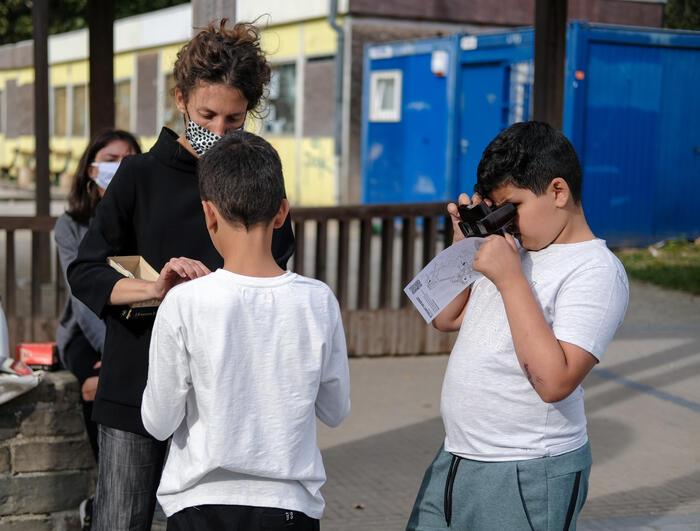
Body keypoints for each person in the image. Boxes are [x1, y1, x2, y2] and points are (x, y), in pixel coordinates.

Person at [67, 20, 295, 531]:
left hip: (225, 394)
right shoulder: (138, 175)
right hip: (136, 384)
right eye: (206, 115)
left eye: (234, 120)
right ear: (180, 100)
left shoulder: (258, 172)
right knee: (121, 521)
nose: (217, 133)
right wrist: (153, 288)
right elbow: (86, 270)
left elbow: (277, 264)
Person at [406, 121, 629, 531]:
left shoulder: (595, 270)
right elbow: (445, 316)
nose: (507, 221)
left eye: (513, 207)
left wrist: (510, 280)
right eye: (496, 209)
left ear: (558, 191)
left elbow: (554, 382)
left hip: (528, 468)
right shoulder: (513, 247)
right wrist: (466, 242)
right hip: (457, 455)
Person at [141, 131, 350, 530]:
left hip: (198, 504)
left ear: (209, 214)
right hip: (289, 506)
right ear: (281, 212)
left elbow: (158, 422)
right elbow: (335, 410)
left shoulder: (184, 302)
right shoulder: (318, 300)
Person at [55, 129, 141, 530]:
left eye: (130, 158)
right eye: (110, 158)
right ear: (91, 168)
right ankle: (105, 497)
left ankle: (110, 501)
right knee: (97, 383)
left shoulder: (144, 215)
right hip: (86, 335)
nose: (120, 166)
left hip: (135, 331)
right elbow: (82, 297)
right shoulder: (71, 224)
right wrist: (114, 354)